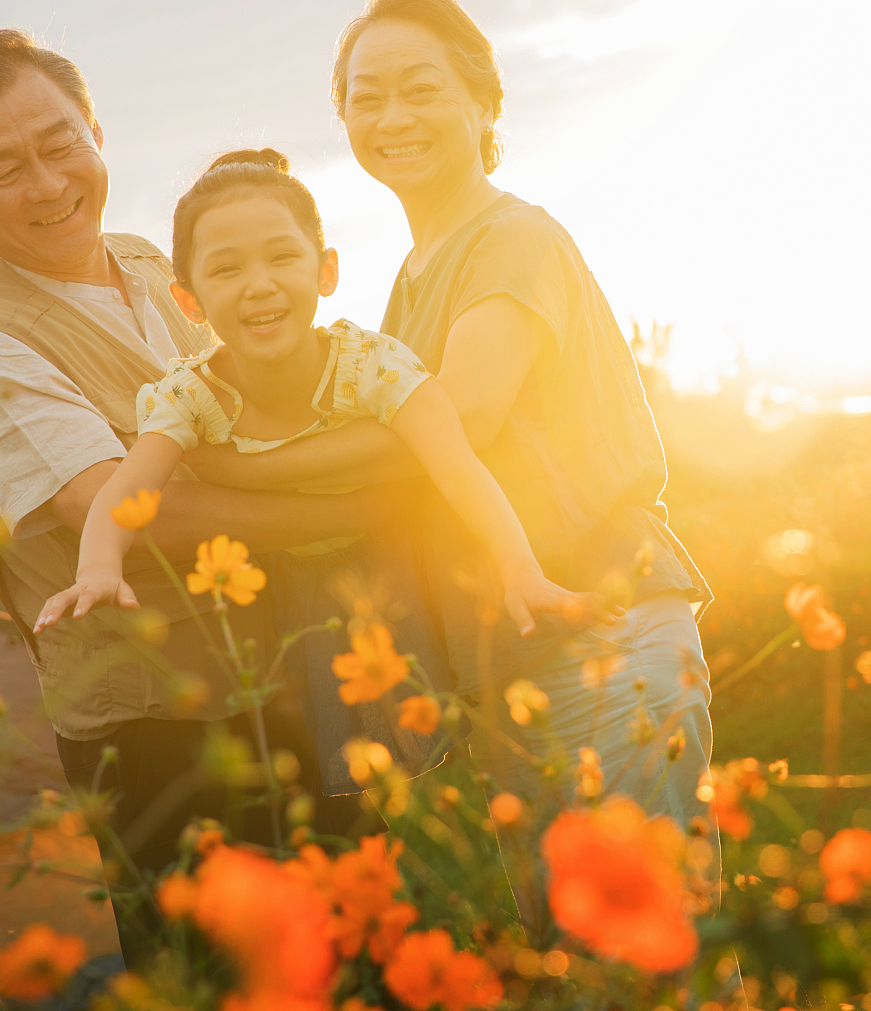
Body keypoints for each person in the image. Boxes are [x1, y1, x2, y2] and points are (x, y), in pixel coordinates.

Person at [211, 0, 717, 939]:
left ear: (484, 103)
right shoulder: (411, 279)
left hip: (598, 627)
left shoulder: (510, 238)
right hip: (517, 652)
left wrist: (243, 471)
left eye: (421, 88)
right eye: (366, 97)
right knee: (576, 957)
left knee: (650, 955)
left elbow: (467, 416)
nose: (391, 116)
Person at [0, 30, 401, 964]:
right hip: (161, 740)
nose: (49, 184)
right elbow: (136, 511)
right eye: (2, 167)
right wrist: (356, 511)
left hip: (283, 678)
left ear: (96, 129)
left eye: (60, 144)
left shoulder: (146, 263)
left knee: (351, 963)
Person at [33, 148, 594, 790]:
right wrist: (98, 569)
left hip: (407, 554)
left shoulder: (372, 367)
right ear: (189, 301)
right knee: (362, 765)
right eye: (226, 269)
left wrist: (518, 565)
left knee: (465, 731)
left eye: (282, 257)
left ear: (325, 271)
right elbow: (125, 490)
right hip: (295, 578)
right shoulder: (190, 397)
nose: (260, 284)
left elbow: (458, 466)